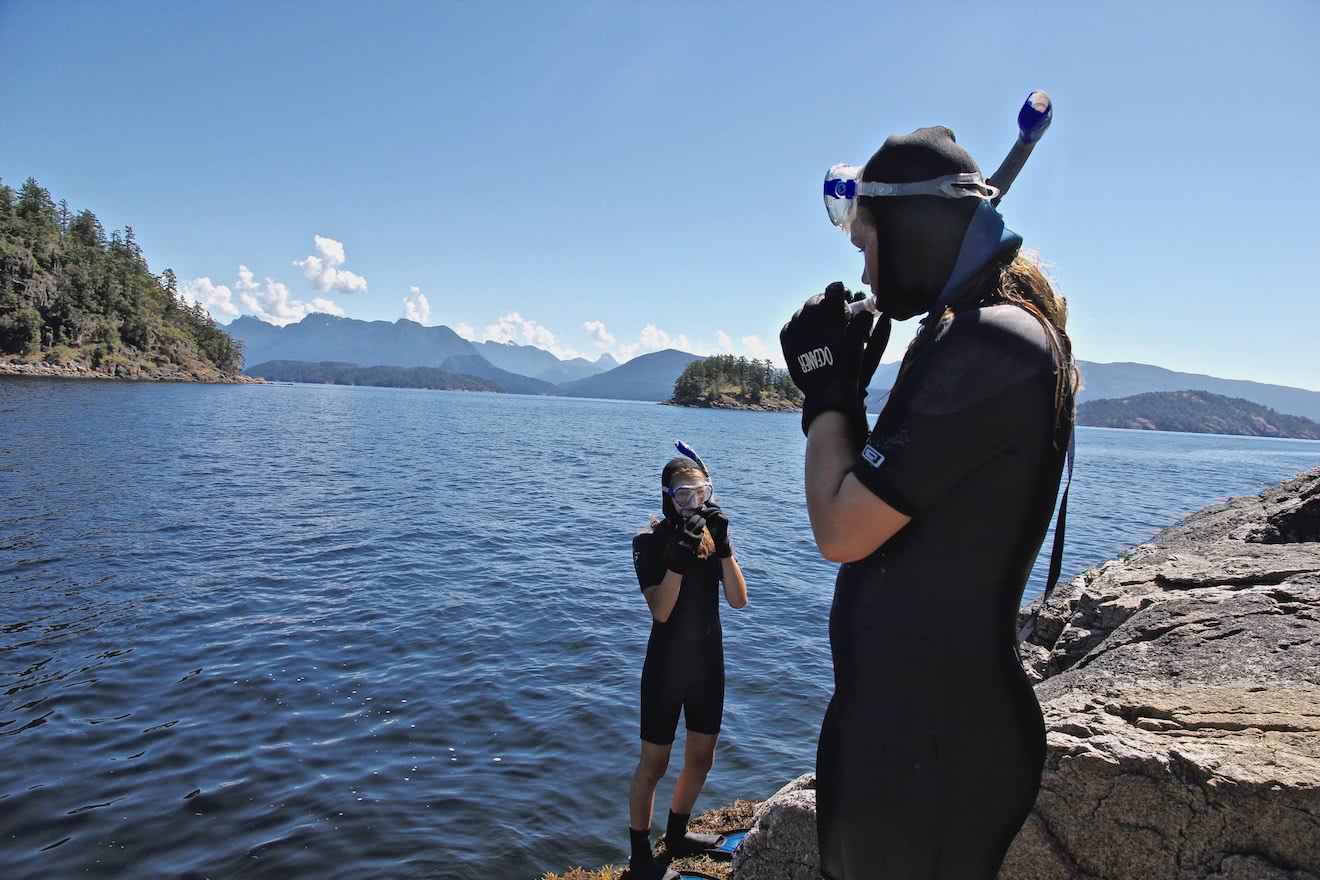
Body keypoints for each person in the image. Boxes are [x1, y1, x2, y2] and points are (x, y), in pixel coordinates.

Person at [779, 126, 1077, 879]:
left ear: (913, 232)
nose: (867, 272)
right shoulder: (966, 335)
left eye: (868, 245)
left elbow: (843, 528)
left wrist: (827, 394)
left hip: (936, 748)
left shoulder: (993, 347)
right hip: (901, 735)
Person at [625, 444, 749, 880]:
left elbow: (737, 600)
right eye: (683, 495)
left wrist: (726, 548)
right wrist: (678, 556)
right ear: (667, 496)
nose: (692, 503)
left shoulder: (712, 537)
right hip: (665, 666)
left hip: (707, 661)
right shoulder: (647, 541)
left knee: (702, 756)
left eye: (701, 493)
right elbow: (660, 610)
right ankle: (640, 851)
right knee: (654, 763)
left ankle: (677, 835)